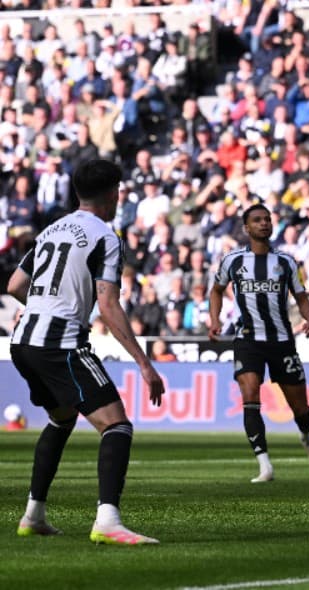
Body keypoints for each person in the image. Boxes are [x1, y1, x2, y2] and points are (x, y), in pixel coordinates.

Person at [10, 159, 165, 545]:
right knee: (117, 425)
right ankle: (108, 521)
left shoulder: (50, 230)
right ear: (114, 194)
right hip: (59, 342)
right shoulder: (105, 237)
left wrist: (44, 308)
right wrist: (144, 364)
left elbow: (14, 285)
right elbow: (108, 305)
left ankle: (33, 515)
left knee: (61, 419)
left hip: (23, 340)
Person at [208, 204, 309, 483]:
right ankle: (264, 464)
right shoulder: (232, 260)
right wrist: (214, 320)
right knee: (250, 396)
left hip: (281, 341)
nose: (264, 223)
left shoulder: (286, 262)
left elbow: (301, 296)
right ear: (246, 228)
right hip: (247, 340)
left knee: (301, 409)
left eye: (267, 220)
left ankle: (306, 435)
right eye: (257, 220)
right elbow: (216, 290)